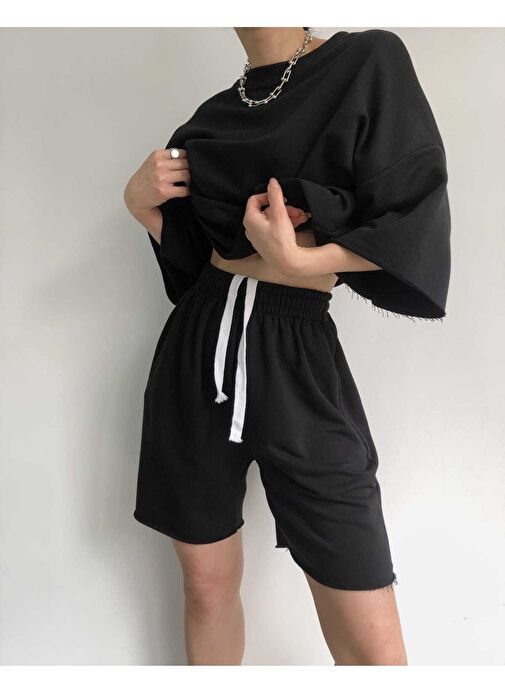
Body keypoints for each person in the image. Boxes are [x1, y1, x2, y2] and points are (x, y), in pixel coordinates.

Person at [124, 27, 451, 665]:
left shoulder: (367, 61)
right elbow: (194, 259)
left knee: (369, 628)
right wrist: (143, 208)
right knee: (205, 586)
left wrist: (303, 262)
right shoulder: (214, 117)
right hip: (197, 346)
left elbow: (416, 219)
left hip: (297, 349)